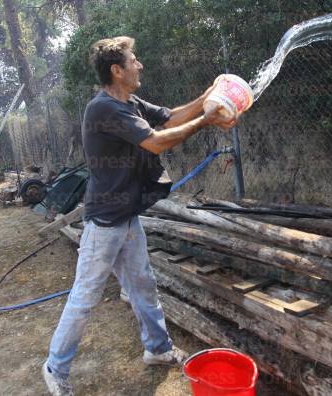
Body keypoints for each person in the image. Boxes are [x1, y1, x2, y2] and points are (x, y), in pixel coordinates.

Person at [42, 36, 235, 396]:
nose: (139, 65)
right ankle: (55, 368)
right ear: (117, 70)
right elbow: (157, 141)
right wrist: (206, 121)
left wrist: (209, 96)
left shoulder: (127, 102)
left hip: (126, 216)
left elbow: (171, 117)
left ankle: (157, 349)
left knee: (143, 286)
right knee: (86, 297)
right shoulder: (104, 109)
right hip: (104, 221)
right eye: (134, 61)